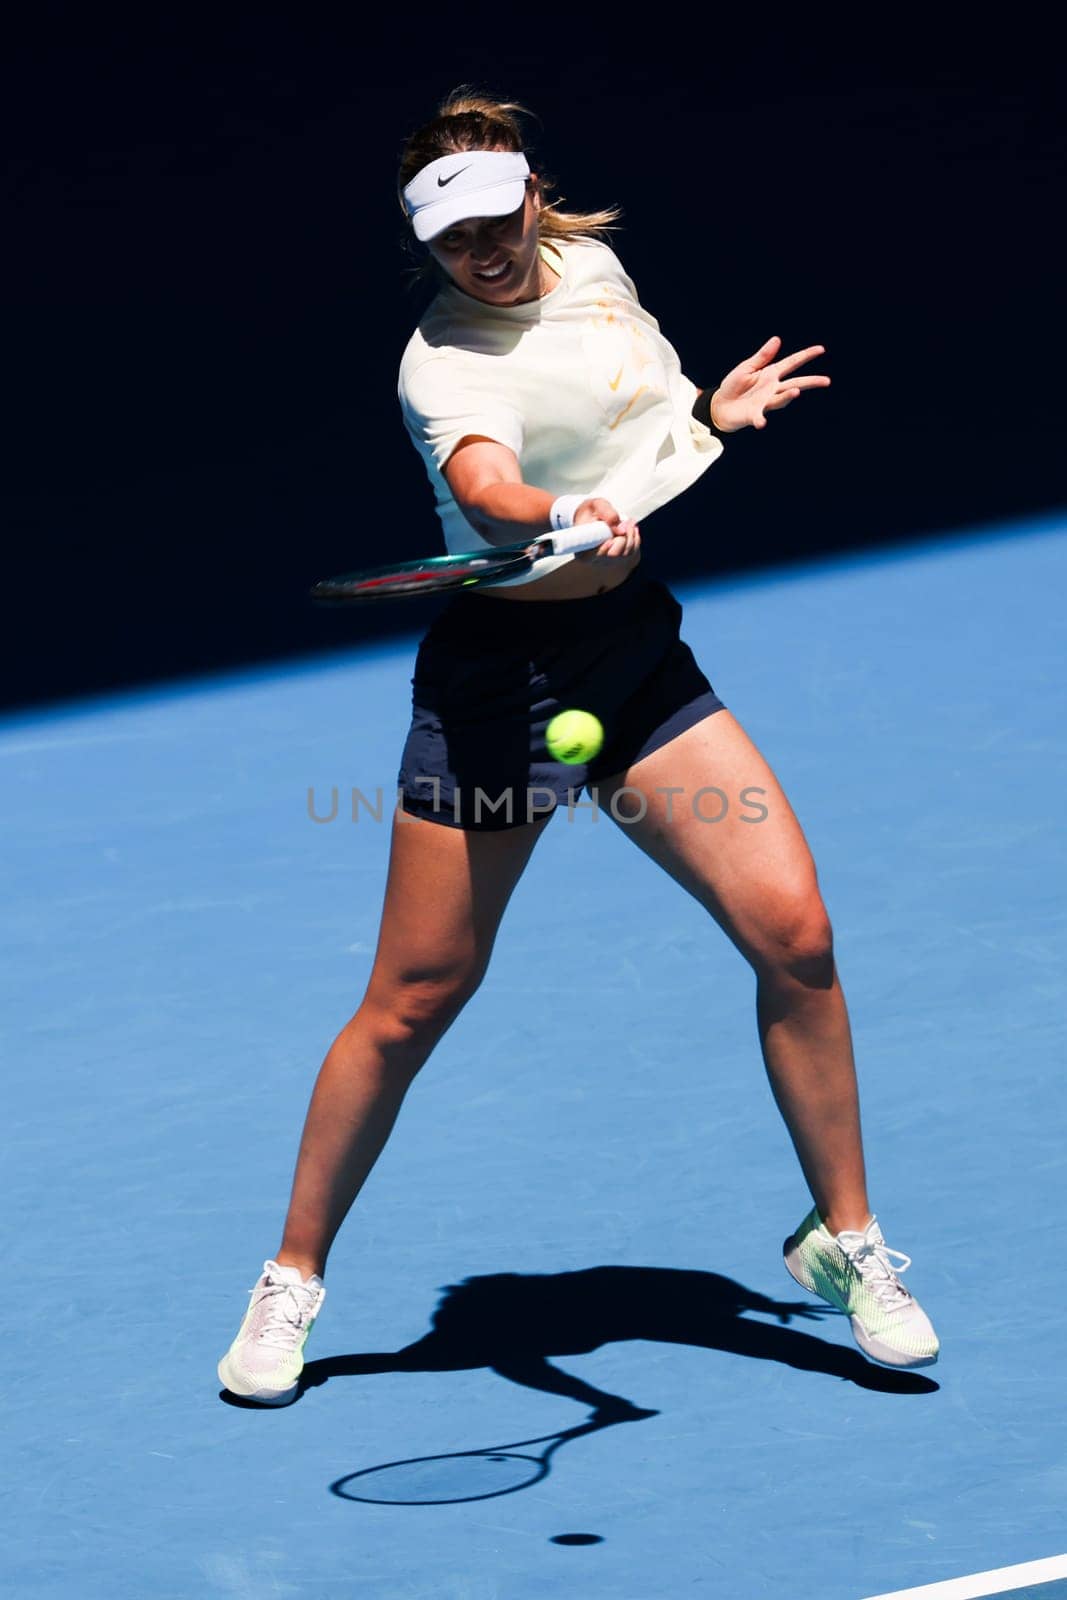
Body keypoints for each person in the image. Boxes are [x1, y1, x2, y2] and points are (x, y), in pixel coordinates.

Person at [218, 88, 939, 1406]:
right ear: (424, 249)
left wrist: (707, 421)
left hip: (631, 661)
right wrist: (559, 510)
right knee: (418, 995)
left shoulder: (590, 265)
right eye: (455, 239)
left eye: (500, 218)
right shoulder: (439, 366)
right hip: (505, 684)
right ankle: (291, 1281)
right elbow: (492, 488)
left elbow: (637, 414)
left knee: (800, 938)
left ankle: (847, 1244)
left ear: (534, 195)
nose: (486, 252)